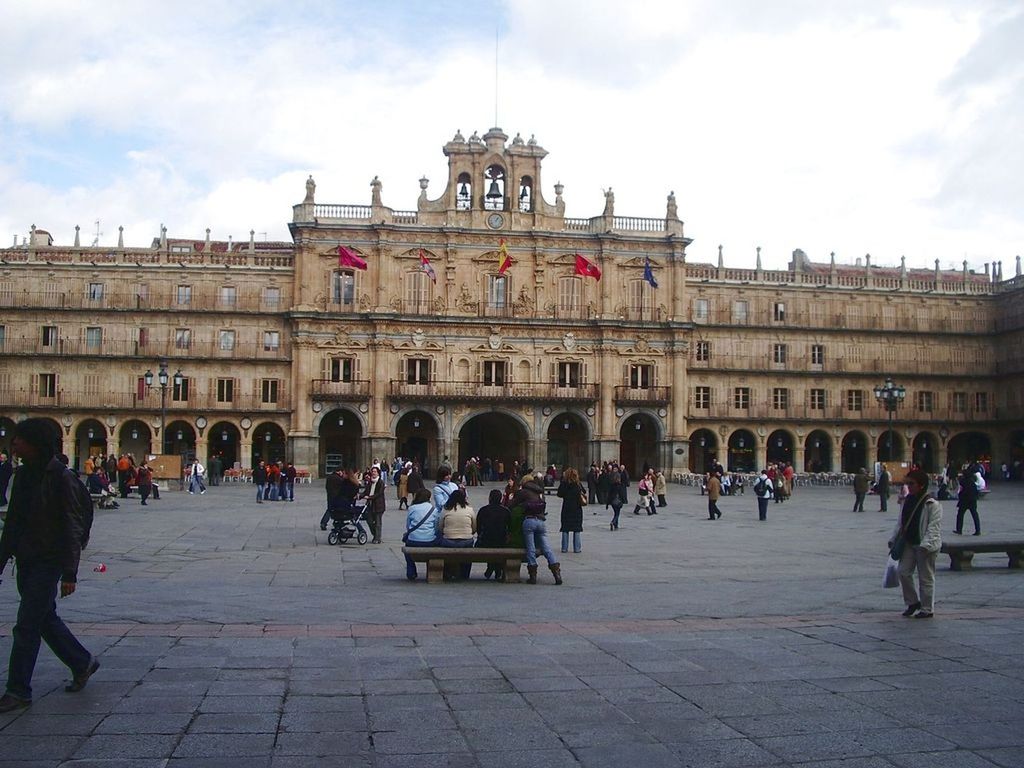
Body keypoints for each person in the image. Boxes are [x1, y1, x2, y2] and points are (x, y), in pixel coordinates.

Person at [0, 418, 100, 713]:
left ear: (35, 443)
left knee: (27, 623)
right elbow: (14, 522)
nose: (14, 442)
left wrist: (70, 572)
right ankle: (82, 662)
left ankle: (18, 690)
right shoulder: (22, 475)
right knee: (43, 617)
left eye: (20, 438)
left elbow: (71, 525)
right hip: (28, 558)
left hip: (49, 559)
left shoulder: (60, 477)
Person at [888, 469, 942, 619]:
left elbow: (934, 527)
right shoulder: (907, 500)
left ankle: (927, 608)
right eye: (907, 483)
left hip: (925, 546)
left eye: (911, 483)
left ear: (921, 485)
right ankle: (912, 602)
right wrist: (893, 539)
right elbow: (901, 522)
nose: (908, 486)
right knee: (903, 572)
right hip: (909, 543)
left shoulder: (932, 504)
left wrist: (926, 545)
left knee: (926, 577)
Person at [513, 473, 561, 585]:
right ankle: (556, 573)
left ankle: (533, 576)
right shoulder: (540, 492)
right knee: (546, 547)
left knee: (531, 548)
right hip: (541, 521)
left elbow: (512, 504)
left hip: (529, 521)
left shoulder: (524, 492)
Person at [403, 489, 440, 581]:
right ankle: (431, 569)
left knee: (407, 549)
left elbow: (408, 525)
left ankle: (411, 571)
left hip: (413, 540)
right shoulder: (433, 509)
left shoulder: (412, 508)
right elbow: (436, 527)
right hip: (430, 540)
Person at [438, 489, 475, 580]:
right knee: (468, 554)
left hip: (449, 540)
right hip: (466, 540)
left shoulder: (446, 510)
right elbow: (474, 527)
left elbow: (440, 527)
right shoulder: (469, 510)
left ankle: (448, 572)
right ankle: (465, 574)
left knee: (441, 544)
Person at [476, 488, 511, 580]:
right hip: (501, 542)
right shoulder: (506, 511)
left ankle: (491, 567)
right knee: (498, 542)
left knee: (489, 540)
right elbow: (510, 528)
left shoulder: (483, 510)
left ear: (490, 498)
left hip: (485, 541)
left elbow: (478, 528)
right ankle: (497, 569)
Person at [556, 468, 584, 554]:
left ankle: (564, 548)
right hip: (577, 508)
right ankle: (577, 548)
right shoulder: (578, 484)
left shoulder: (564, 484)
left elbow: (559, 494)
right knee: (577, 528)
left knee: (565, 528)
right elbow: (584, 491)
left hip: (567, 508)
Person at [362, 465, 386, 544]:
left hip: (378, 505)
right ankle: (376, 535)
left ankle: (377, 538)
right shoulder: (370, 482)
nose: (373, 473)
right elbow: (366, 492)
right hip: (370, 505)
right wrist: (359, 496)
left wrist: (369, 497)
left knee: (378, 522)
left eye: (375, 472)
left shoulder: (381, 482)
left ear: (378, 473)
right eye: (372, 471)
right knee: (369, 520)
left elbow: (379, 493)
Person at [955, 465, 981, 536]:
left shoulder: (963, 481)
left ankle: (959, 530)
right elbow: (976, 491)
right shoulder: (972, 481)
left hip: (964, 500)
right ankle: (978, 530)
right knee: (974, 515)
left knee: (960, 515)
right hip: (972, 500)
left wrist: (960, 496)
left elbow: (961, 490)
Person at [608, 465, 624, 530]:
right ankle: (613, 522)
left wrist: (607, 503)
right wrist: (623, 501)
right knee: (617, 514)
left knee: (615, 513)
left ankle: (616, 525)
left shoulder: (612, 486)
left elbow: (609, 494)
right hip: (618, 501)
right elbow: (622, 494)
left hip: (612, 501)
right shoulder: (620, 486)